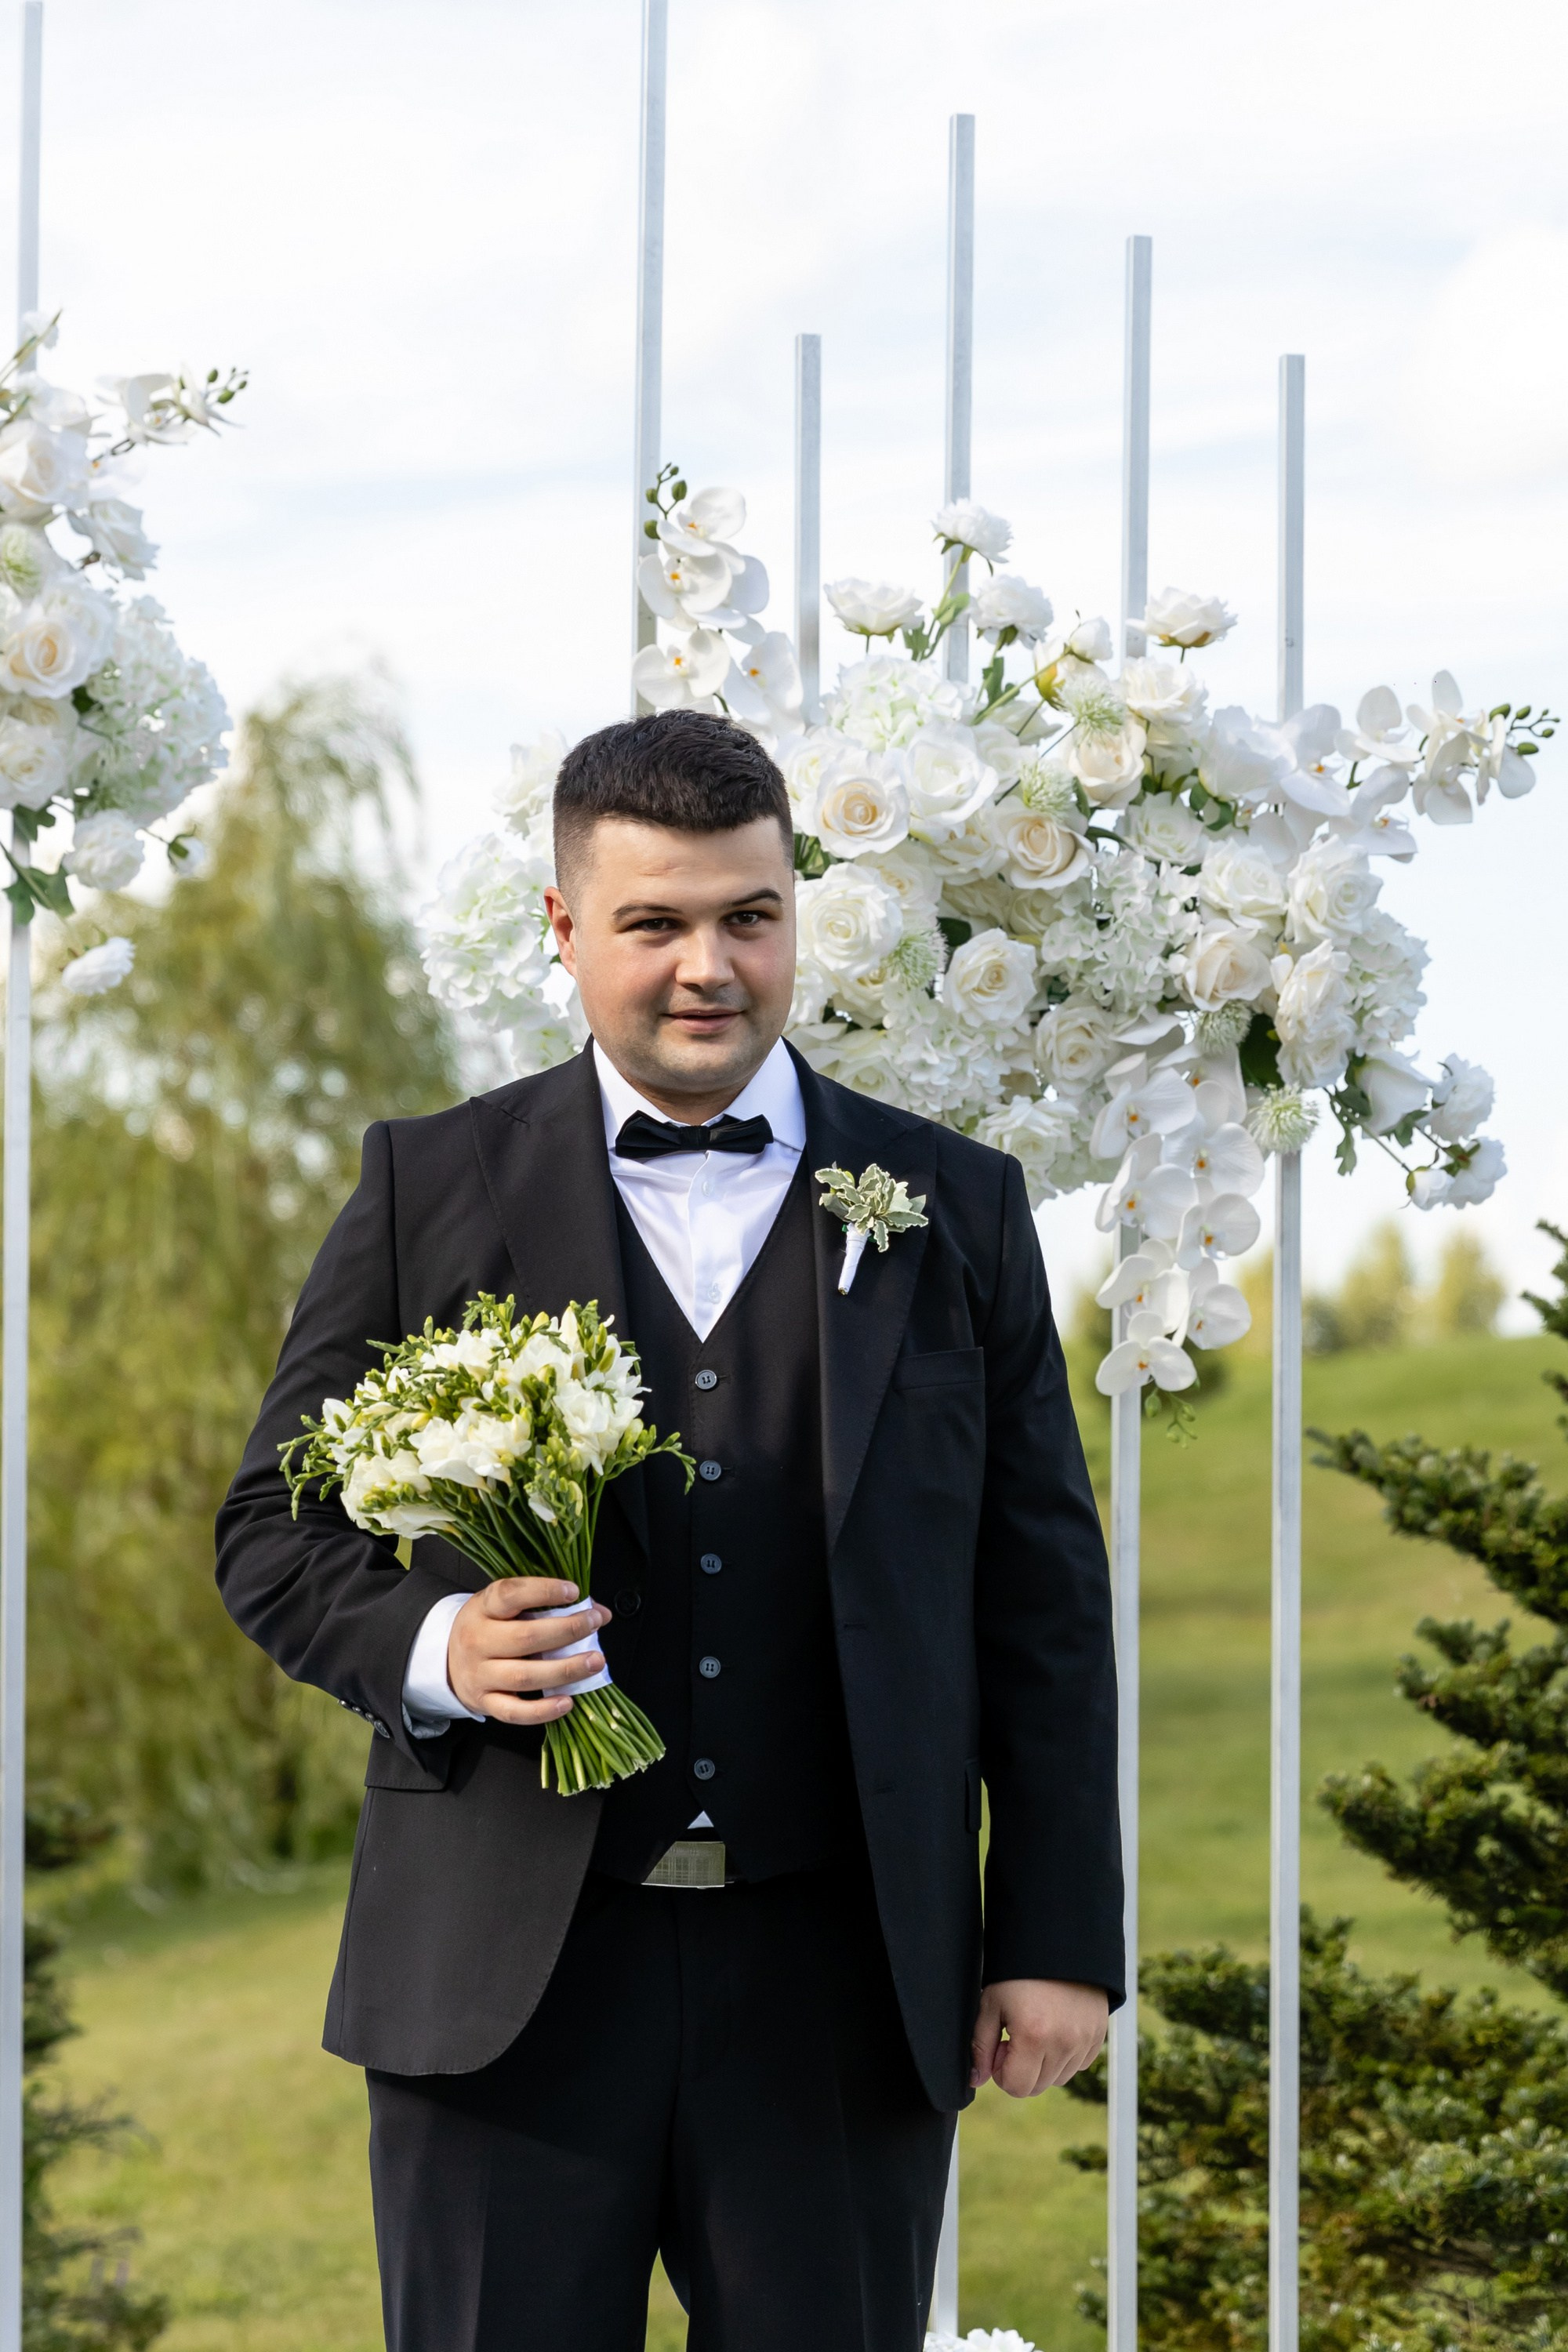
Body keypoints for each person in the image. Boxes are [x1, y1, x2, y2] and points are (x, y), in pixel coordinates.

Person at [216, 709, 1123, 2352]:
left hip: (840, 1984)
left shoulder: (952, 1204)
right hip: (502, 1990)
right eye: (654, 923)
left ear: (792, 914)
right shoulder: (431, 1186)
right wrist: (431, 1647)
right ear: (564, 930)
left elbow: (1040, 1598)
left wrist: (1057, 1939)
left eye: (748, 917)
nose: (708, 967)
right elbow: (272, 1527)